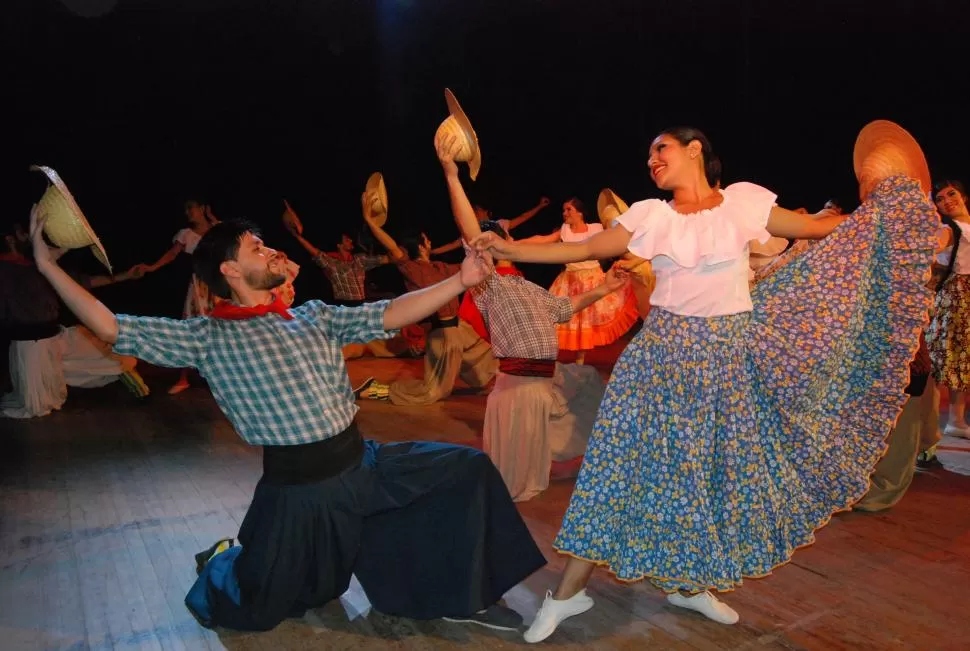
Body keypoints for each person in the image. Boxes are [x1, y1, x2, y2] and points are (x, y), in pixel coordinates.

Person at [472, 126, 938, 642]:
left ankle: (687, 584)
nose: (652, 158)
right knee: (614, 471)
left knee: (704, 482)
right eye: (648, 153)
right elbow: (573, 250)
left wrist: (882, 213)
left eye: (661, 147)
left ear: (695, 149)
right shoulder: (652, 216)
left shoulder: (743, 204)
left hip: (723, 363)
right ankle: (567, 594)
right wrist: (505, 246)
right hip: (657, 361)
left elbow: (818, 229)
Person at [27, 205, 546, 633]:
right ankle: (224, 559)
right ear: (229, 270)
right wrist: (48, 268)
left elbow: (391, 312)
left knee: (466, 471)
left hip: (361, 464)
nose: (272, 251)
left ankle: (462, 594)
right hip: (299, 491)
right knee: (262, 605)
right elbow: (111, 326)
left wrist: (462, 278)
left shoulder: (312, 316)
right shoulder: (206, 336)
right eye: (257, 247)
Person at [436, 133, 616, 501]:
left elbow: (565, 309)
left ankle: (568, 454)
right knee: (512, 485)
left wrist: (605, 288)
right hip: (519, 387)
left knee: (586, 381)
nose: (506, 238)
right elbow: (472, 233)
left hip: (542, 385)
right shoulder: (489, 283)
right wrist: (452, 176)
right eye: (499, 236)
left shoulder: (527, 286)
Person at [358, 192, 496, 404]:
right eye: (427, 239)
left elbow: (471, 268)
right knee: (431, 393)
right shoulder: (411, 268)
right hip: (442, 334)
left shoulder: (440, 267)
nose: (430, 241)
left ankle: (499, 385)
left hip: (460, 329)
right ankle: (376, 390)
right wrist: (370, 221)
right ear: (420, 246)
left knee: (487, 359)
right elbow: (393, 248)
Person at [516, 198, 639, 364]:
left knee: (585, 321)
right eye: (564, 210)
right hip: (569, 281)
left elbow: (616, 238)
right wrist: (516, 244)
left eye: (569, 210)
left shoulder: (596, 228)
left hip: (592, 279)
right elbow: (542, 239)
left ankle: (580, 362)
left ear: (580, 213)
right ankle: (543, 357)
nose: (564, 213)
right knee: (554, 317)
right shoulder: (564, 230)